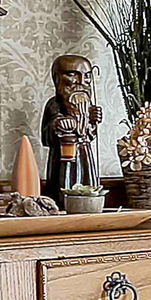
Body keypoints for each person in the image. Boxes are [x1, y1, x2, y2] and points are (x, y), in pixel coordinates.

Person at [41, 53, 101, 194]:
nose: (81, 81)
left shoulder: (87, 104)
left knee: (87, 179)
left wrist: (92, 122)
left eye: (87, 76)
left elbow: (90, 134)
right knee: (63, 183)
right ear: (57, 78)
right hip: (63, 156)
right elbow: (45, 136)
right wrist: (58, 124)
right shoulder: (54, 104)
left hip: (84, 152)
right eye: (73, 75)